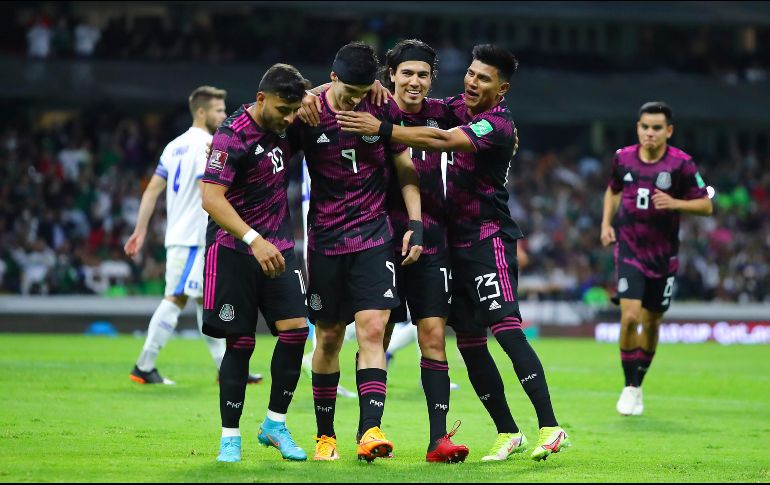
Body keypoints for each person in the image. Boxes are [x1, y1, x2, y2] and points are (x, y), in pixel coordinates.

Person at [336, 43, 570, 462]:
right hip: (448, 242)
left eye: (484, 78)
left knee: (506, 327)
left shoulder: (497, 123)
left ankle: (551, 426)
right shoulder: (452, 107)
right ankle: (507, 431)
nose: (473, 83)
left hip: (486, 237)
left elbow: (441, 139)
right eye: (471, 74)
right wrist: (361, 86)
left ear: (502, 89)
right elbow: (413, 107)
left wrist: (382, 129)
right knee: (469, 341)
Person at [292, 41, 423, 462]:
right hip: (326, 241)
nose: (355, 101)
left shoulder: (381, 107)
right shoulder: (309, 112)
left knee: (372, 330)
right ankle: (325, 436)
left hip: (373, 235)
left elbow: (405, 166)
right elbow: (267, 122)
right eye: (349, 92)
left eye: (363, 91)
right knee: (329, 337)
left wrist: (416, 222)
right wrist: (304, 97)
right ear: (332, 78)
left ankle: (370, 430)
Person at [200, 64, 311, 462]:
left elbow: (323, 97)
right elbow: (211, 198)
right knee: (241, 342)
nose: (289, 118)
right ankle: (230, 437)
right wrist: (254, 240)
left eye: (294, 110)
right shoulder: (231, 135)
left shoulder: (286, 119)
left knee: (296, 332)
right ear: (261, 99)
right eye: (283, 109)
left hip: (278, 247)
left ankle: (275, 424)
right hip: (234, 249)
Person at [125, 86, 262, 386]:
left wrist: (140, 229)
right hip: (193, 238)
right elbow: (208, 192)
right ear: (201, 112)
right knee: (176, 298)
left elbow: (152, 190)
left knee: (203, 300)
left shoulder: (173, 147)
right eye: (218, 110)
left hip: (182, 235)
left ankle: (226, 368)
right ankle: (144, 365)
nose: (224, 115)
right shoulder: (207, 146)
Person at [600, 101, 713, 416]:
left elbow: (706, 206)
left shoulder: (682, 164)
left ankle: (639, 383)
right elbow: (612, 190)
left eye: (657, 128)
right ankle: (629, 386)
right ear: (638, 128)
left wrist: (676, 203)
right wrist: (606, 223)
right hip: (629, 249)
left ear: (669, 131)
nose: (650, 133)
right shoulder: (622, 158)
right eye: (645, 127)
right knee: (630, 318)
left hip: (663, 257)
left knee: (651, 323)